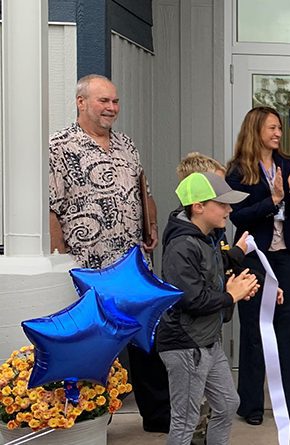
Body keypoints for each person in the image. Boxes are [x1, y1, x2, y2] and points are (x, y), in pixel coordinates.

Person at [47, 74, 165, 433]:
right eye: (104, 101)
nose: (112, 108)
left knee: (146, 341)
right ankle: (91, 424)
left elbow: (144, 191)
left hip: (131, 267)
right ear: (81, 102)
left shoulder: (127, 145)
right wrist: (60, 259)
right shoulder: (59, 146)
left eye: (115, 101)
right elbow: (52, 208)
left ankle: (160, 417)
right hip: (88, 267)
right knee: (94, 347)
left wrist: (151, 225)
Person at [157, 172, 262, 445]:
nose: (229, 209)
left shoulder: (208, 237)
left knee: (227, 403)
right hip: (185, 344)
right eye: (223, 204)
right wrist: (231, 296)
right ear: (198, 207)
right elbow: (191, 299)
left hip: (206, 339)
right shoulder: (181, 246)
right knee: (185, 421)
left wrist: (242, 282)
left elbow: (215, 269)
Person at [226, 107, 290, 425]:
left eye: (279, 127)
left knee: (288, 329)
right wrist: (272, 200)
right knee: (253, 330)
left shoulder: (289, 164)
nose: (278, 133)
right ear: (255, 130)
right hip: (253, 257)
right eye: (272, 127)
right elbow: (237, 216)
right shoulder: (237, 171)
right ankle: (250, 405)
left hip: (287, 256)